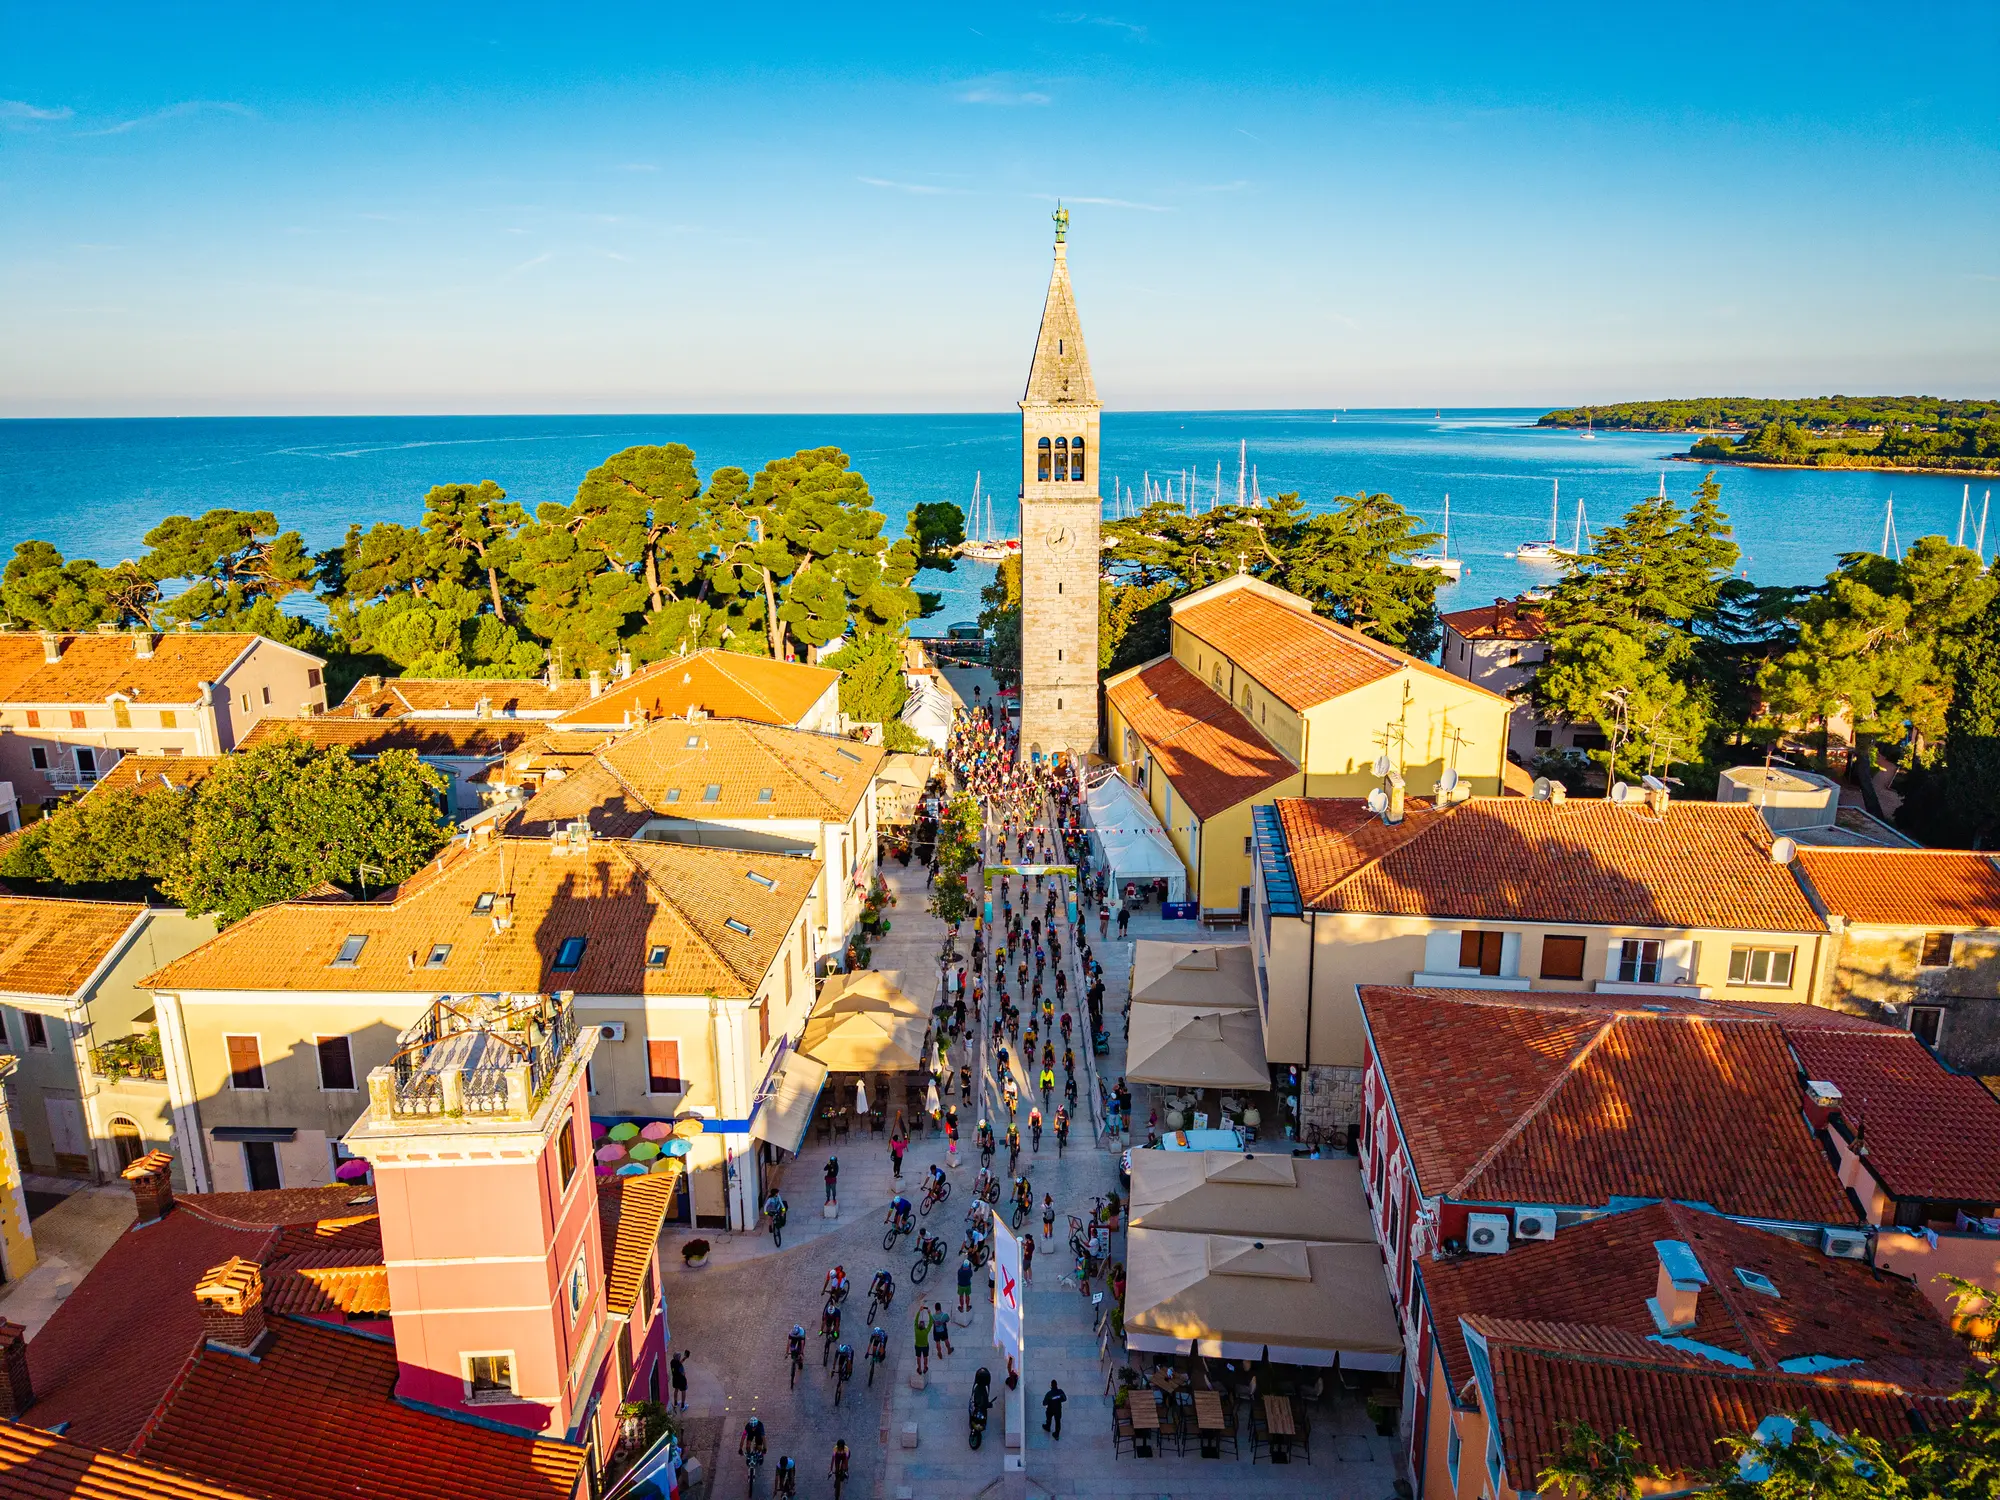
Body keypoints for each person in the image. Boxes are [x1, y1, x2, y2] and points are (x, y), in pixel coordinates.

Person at [912, 1302, 930, 1374]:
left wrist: (919, 1311)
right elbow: (931, 1322)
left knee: (918, 1357)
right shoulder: (926, 1331)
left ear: (918, 1326)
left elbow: (915, 1320)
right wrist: (929, 1313)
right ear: (924, 1326)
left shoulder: (916, 1330)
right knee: (925, 1357)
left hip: (918, 1346)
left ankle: (919, 1369)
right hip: (925, 1345)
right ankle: (925, 1367)